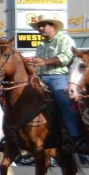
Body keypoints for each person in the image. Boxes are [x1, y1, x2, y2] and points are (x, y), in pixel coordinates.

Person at [28, 12, 81, 147]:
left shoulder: (64, 40)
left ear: (53, 26)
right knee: (21, 97)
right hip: (40, 78)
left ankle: (75, 137)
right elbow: (38, 65)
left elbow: (67, 57)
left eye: (43, 25)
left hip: (58, 77)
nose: (40, 28)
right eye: (39, 26)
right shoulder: (41, 45)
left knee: (63, 101)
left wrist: (44, 62)